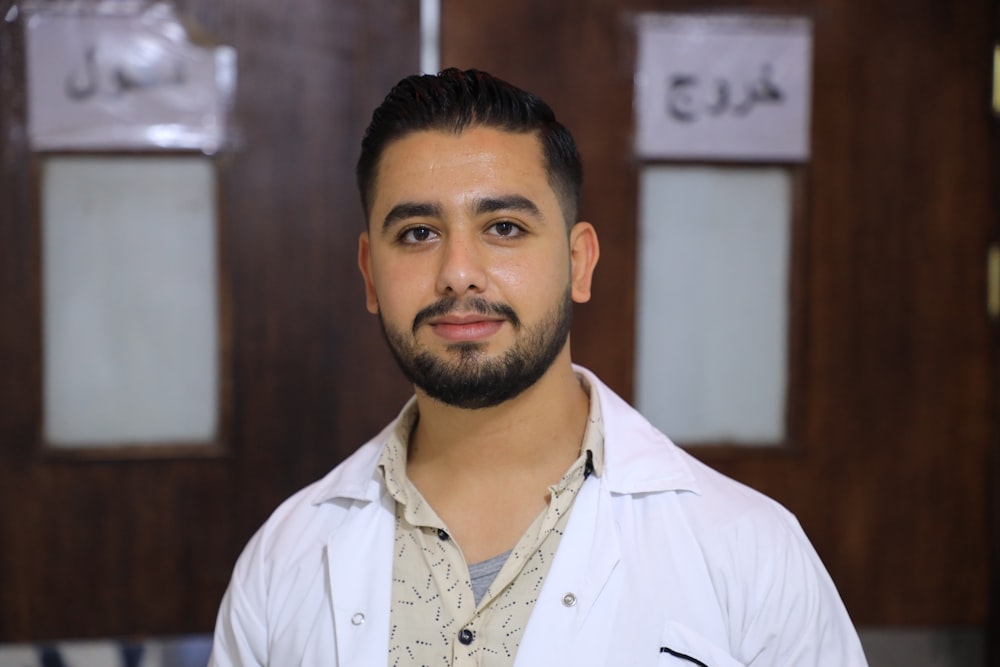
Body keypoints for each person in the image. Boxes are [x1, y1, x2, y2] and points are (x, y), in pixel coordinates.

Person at [209, 68, 868, 667]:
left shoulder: (749, 551)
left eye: (503, 227)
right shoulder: (284, 559)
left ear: (579, 263)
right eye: (417, 233)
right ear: (370, 274)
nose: (458, 272)